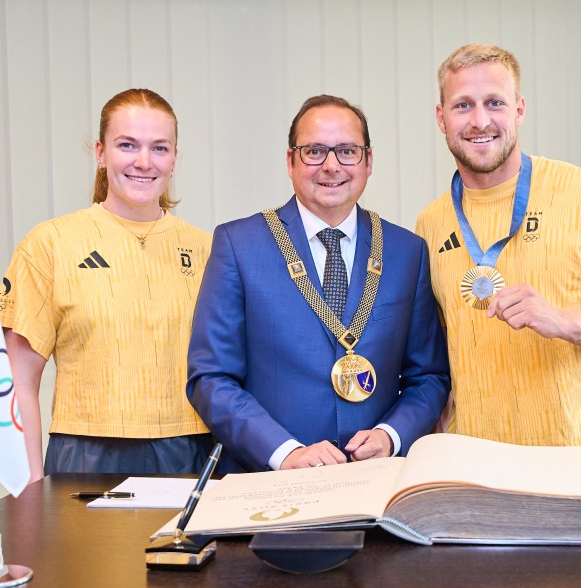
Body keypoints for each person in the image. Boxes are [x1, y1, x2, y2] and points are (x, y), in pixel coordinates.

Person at [415, 45, 581, 456]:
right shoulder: (430, 222)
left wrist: (562, 320)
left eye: (494, 102)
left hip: (576, 475)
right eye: (463, 105)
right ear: (441, 118)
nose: (480, 120)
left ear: (519, 110)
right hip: (472, 474)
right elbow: (435, 357)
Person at [187, 95, 450, 473]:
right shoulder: (238, 245)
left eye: (347, 151)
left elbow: (429, 377)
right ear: (290, 161)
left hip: (374, 479)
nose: (331, 166)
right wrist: (284, 452)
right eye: (314, 151)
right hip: (267, 482)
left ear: (368, 161)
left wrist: (390, 436)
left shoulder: (407, 252)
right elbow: (211, 377)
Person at [0, 88, 213, 482]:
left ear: (175, 158)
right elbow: (17, 380)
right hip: (85, 455)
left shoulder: (208, 250)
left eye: (159, 148)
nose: (143, 162)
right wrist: (29, 484)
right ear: (100, 152)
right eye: (127, 145)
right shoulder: (50, 243)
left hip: (191, 453)